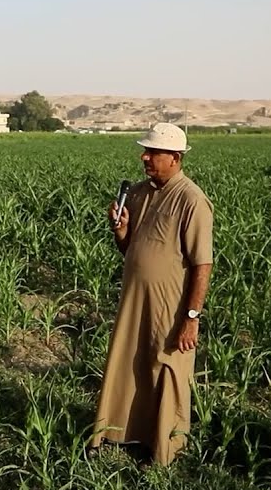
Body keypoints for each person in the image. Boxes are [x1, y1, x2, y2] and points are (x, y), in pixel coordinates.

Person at [89, 122, 214, 467]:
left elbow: (202, 264)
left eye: (153, 153)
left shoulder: (192, 201)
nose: (144, 157)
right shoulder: (142, 192)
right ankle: (123, 433)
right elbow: (130, 250)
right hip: (135, 299)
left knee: (166, 367)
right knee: (130, 364)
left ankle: (165, 450)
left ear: (174, 158)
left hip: (170, 305)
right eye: (145, 151)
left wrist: (191, 318)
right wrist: (122, 230)